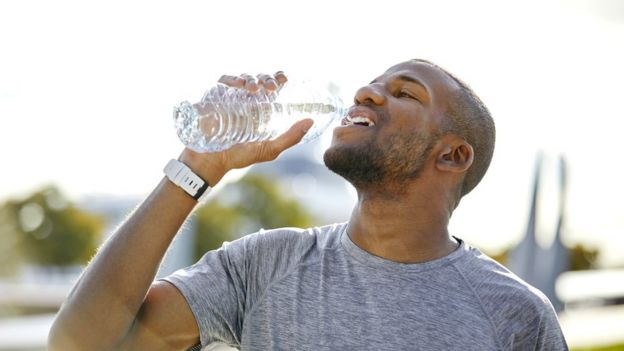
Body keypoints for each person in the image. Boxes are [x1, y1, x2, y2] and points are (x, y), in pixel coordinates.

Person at [48, 59, 568, 350]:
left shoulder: (515, 314)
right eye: (373, 84)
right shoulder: (263, 264)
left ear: (452, 156)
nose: (366, 92)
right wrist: (195, 168)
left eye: (405, 93)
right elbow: (81, 343)